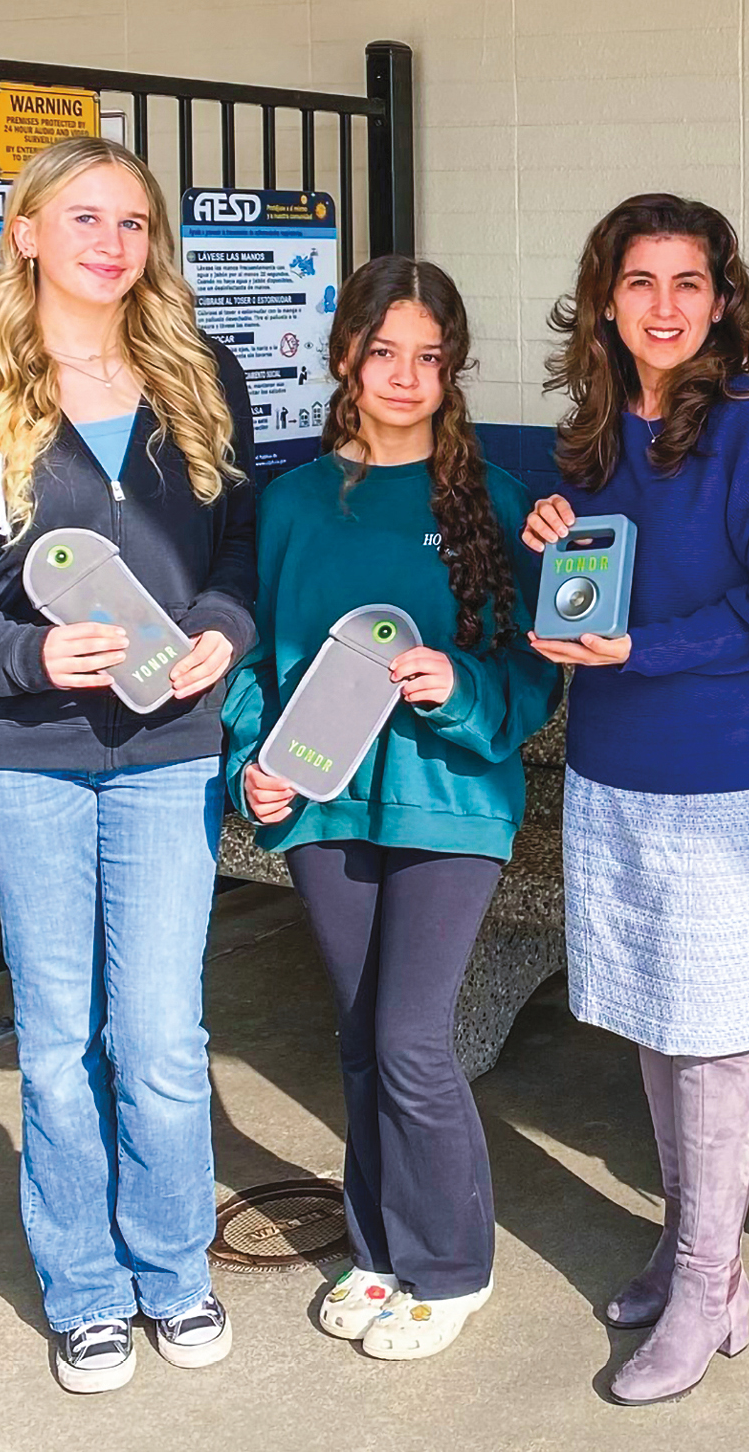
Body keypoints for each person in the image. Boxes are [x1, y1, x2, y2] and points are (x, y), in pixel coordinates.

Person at [0, 136, 255, 1393]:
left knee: (159, 1034)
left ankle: (174, 1270)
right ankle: (87, 1292)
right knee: (59, 1040)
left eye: (135, 223)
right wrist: (33, 659)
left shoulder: (202, 385)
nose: (112, 243)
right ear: (29, 235)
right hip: (21, 763)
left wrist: (222, 633)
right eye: (85, 217)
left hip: (166, 755)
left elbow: (237, 567)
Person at [522, 191, 749, 1405]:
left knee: (710, 1031)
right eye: (640, 282)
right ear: (606, 297)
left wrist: (638, 654)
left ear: (721, 300)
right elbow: (595, 590)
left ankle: (709, 1280)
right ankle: (690, 1245)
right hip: (611, 762)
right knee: (657, 1015)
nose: (664, 306)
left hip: (716, 768)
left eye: (688, 283)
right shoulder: (592, 435)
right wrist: (560, 531)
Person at [223, 256, 563, 1360]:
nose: (406, 376)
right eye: (385, 353)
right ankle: (377, 1248)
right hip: (325, 808)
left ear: (453, 369)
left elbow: (534, 680)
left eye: (430, 356)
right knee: (364, 1037)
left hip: (450, 805)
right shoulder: (290, 504)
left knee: (415, 1039)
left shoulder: (497, 506)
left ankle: (451, 1265)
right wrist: (252, 765)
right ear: (344, 359)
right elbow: (252, 666)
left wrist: (458, 686)